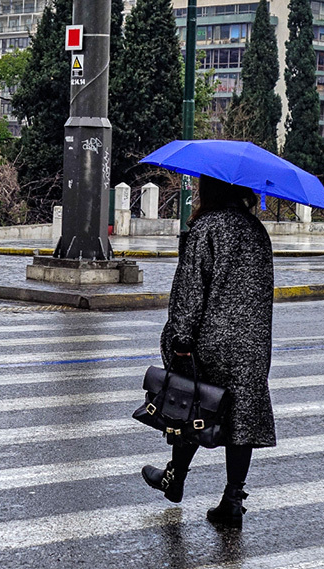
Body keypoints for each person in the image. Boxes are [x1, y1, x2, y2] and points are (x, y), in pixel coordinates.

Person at [140, 175, 276, 530]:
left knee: (190, 406)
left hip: (211, 339)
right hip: (252, 343)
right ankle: (233, 500)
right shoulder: (257, 232)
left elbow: (189, 288)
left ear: (211, 189)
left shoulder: (207, 228)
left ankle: (175, 478)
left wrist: (181, 338)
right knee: (241, 417)